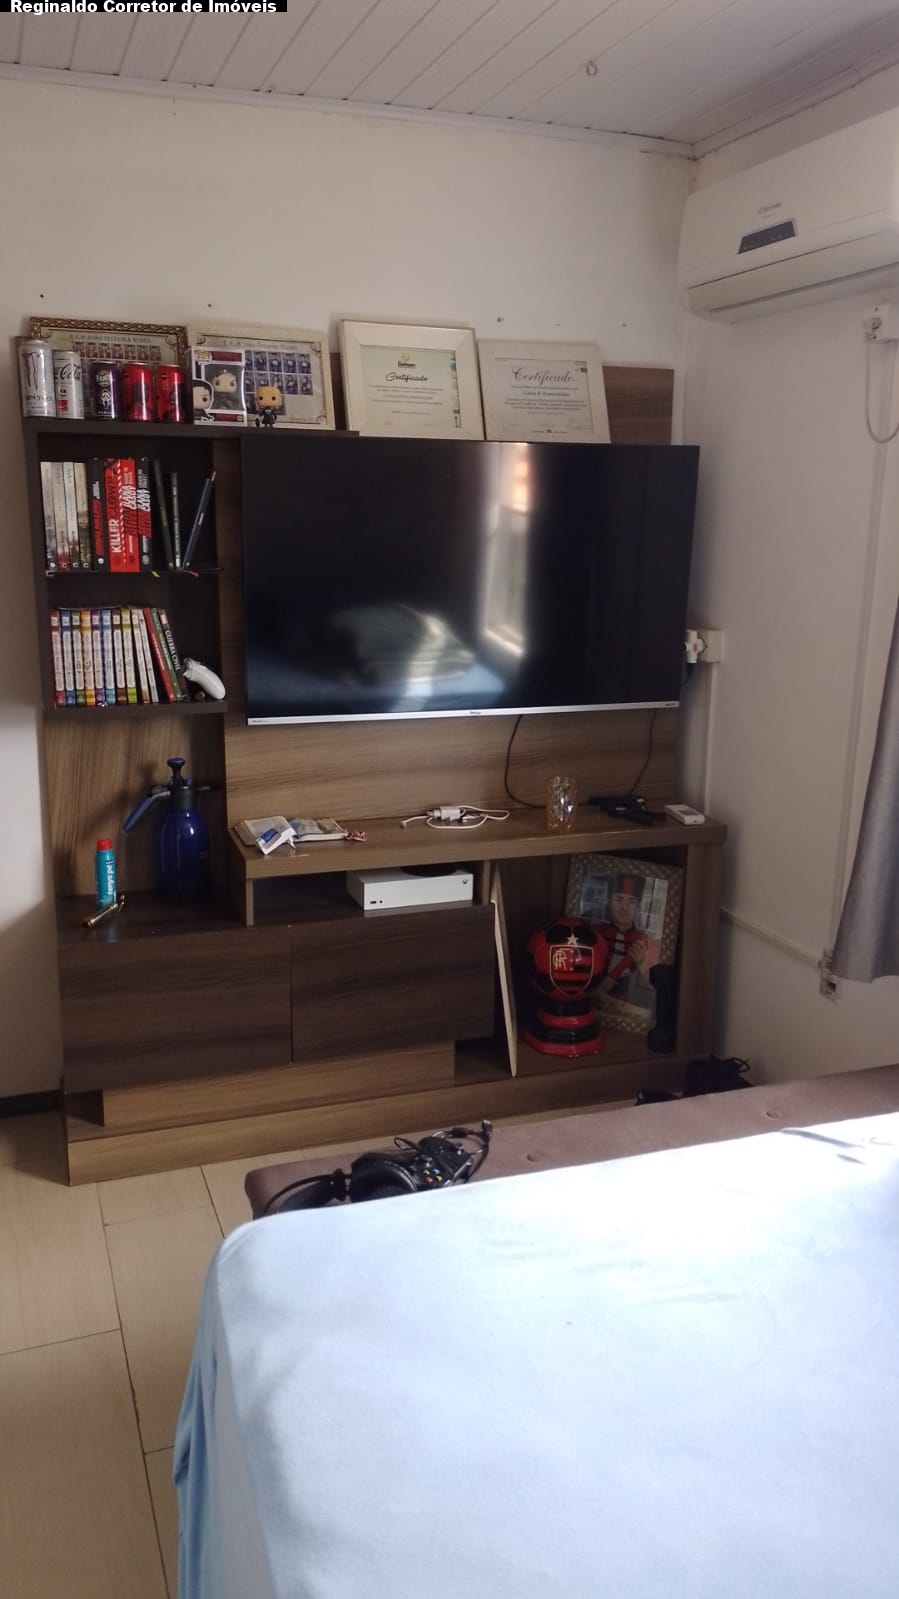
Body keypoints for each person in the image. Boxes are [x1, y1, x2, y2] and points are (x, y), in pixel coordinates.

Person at [596, 872, 659, 1006]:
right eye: (618, 899)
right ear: (609, 901)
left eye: (631, 901)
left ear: (638, 906)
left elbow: (654, 994)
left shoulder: (647, 944)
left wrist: (642, 967)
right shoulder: (594, 934)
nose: (624, 907)